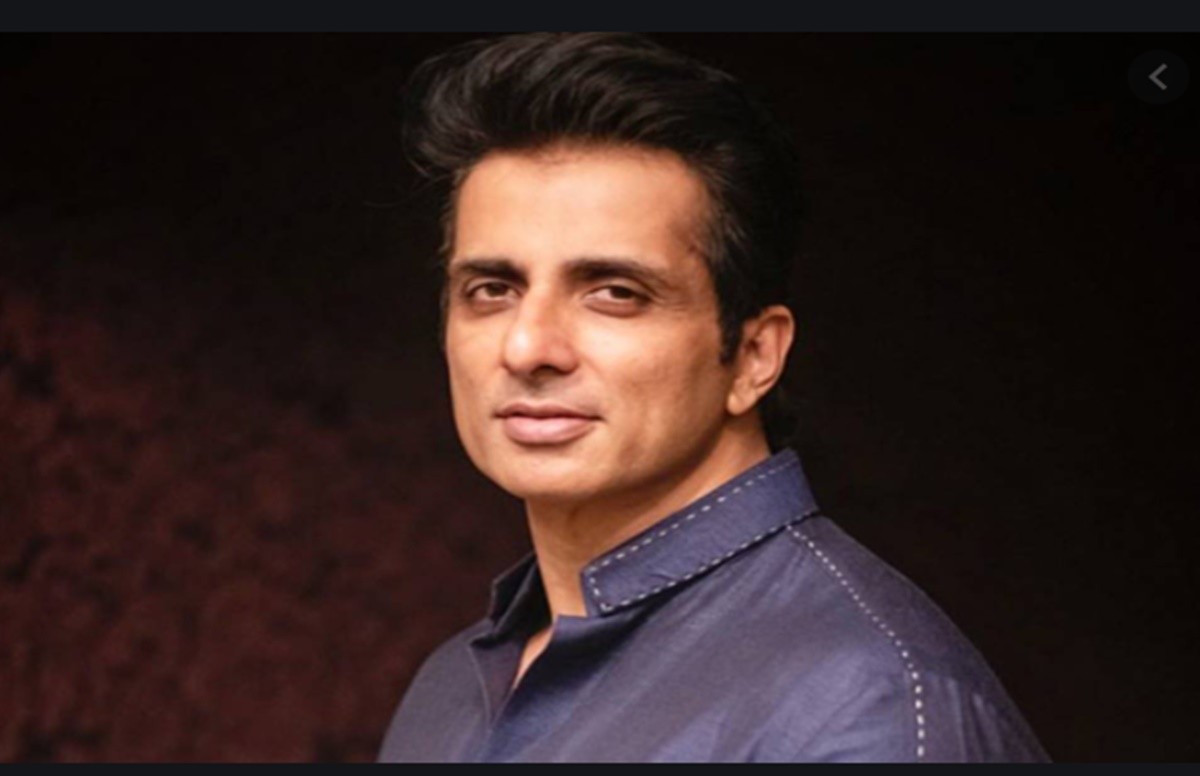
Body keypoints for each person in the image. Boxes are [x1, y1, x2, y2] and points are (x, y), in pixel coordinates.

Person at [377, 32, 1048, 763]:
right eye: (491, 290)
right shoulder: (449, 689)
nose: (527, 347)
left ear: (755, 357)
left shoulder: (868, 708)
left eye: (615, 293)